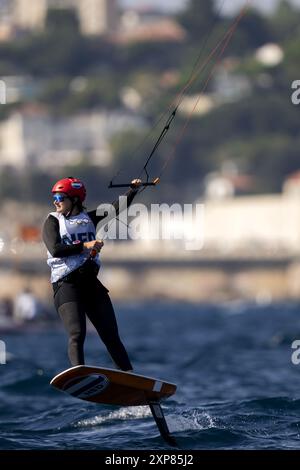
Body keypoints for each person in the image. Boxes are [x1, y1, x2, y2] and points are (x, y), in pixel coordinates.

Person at [42, 176, 141, 370]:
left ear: (75, 199)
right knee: (77, 333)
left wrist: (133, 190)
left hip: (91, 284)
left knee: (111, 335)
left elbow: (115, 208)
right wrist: (85, 245)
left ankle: (131, 379)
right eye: (54, 197)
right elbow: (55, 249)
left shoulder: (90, 218)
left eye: (60, 197)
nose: (56, 201)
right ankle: (79, 372)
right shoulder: (52, 221)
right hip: (66, 285)